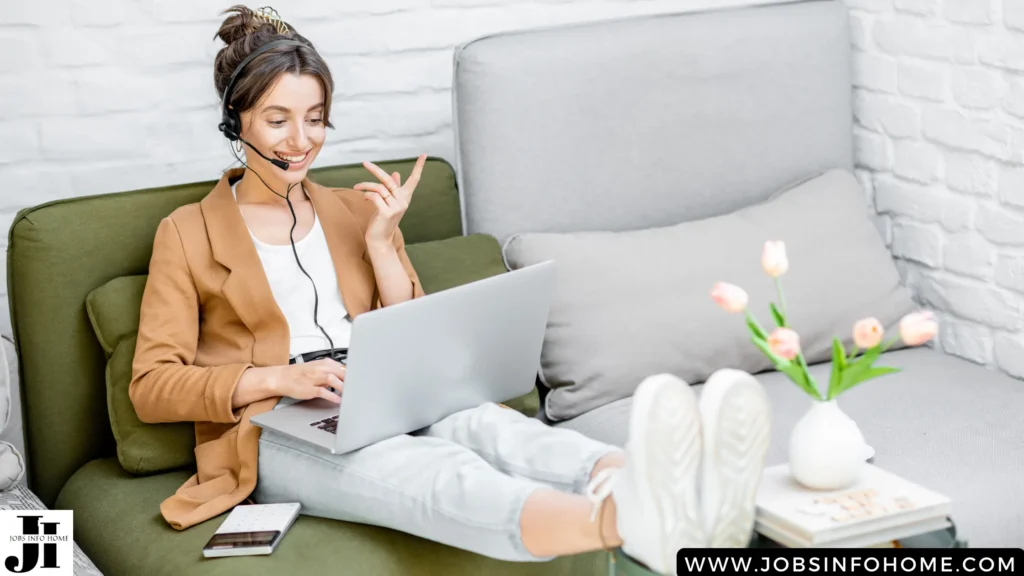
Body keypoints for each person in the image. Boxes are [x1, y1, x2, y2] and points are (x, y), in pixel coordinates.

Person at [128, 5, 772, 574]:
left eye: (316, 120)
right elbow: (152, 385)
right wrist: (278, 380)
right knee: (435, 474)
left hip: (386, 392)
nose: (301, 143)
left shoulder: (354, 212)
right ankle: (632, 526)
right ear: (236, 122)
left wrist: (382, 244)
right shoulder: (187, 234)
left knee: (500, 431)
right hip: (274, 428)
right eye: (277, 121)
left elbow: (407, 334)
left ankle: (675, 488)